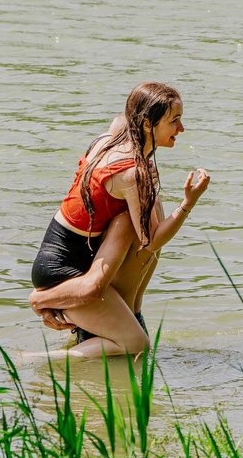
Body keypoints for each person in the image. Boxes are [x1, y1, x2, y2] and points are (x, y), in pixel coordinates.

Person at [29, 81, 210, 358]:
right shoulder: (132, 174)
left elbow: (121, 120)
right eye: (175, 121)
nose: (181, 129)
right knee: (136, 346)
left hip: (75, 256)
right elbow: (151, 241)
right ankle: (35, 360)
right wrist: (188, 203)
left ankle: (118, 319)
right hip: (62, 270)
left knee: (151, 207)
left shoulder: (117, 135)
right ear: (149, 124)